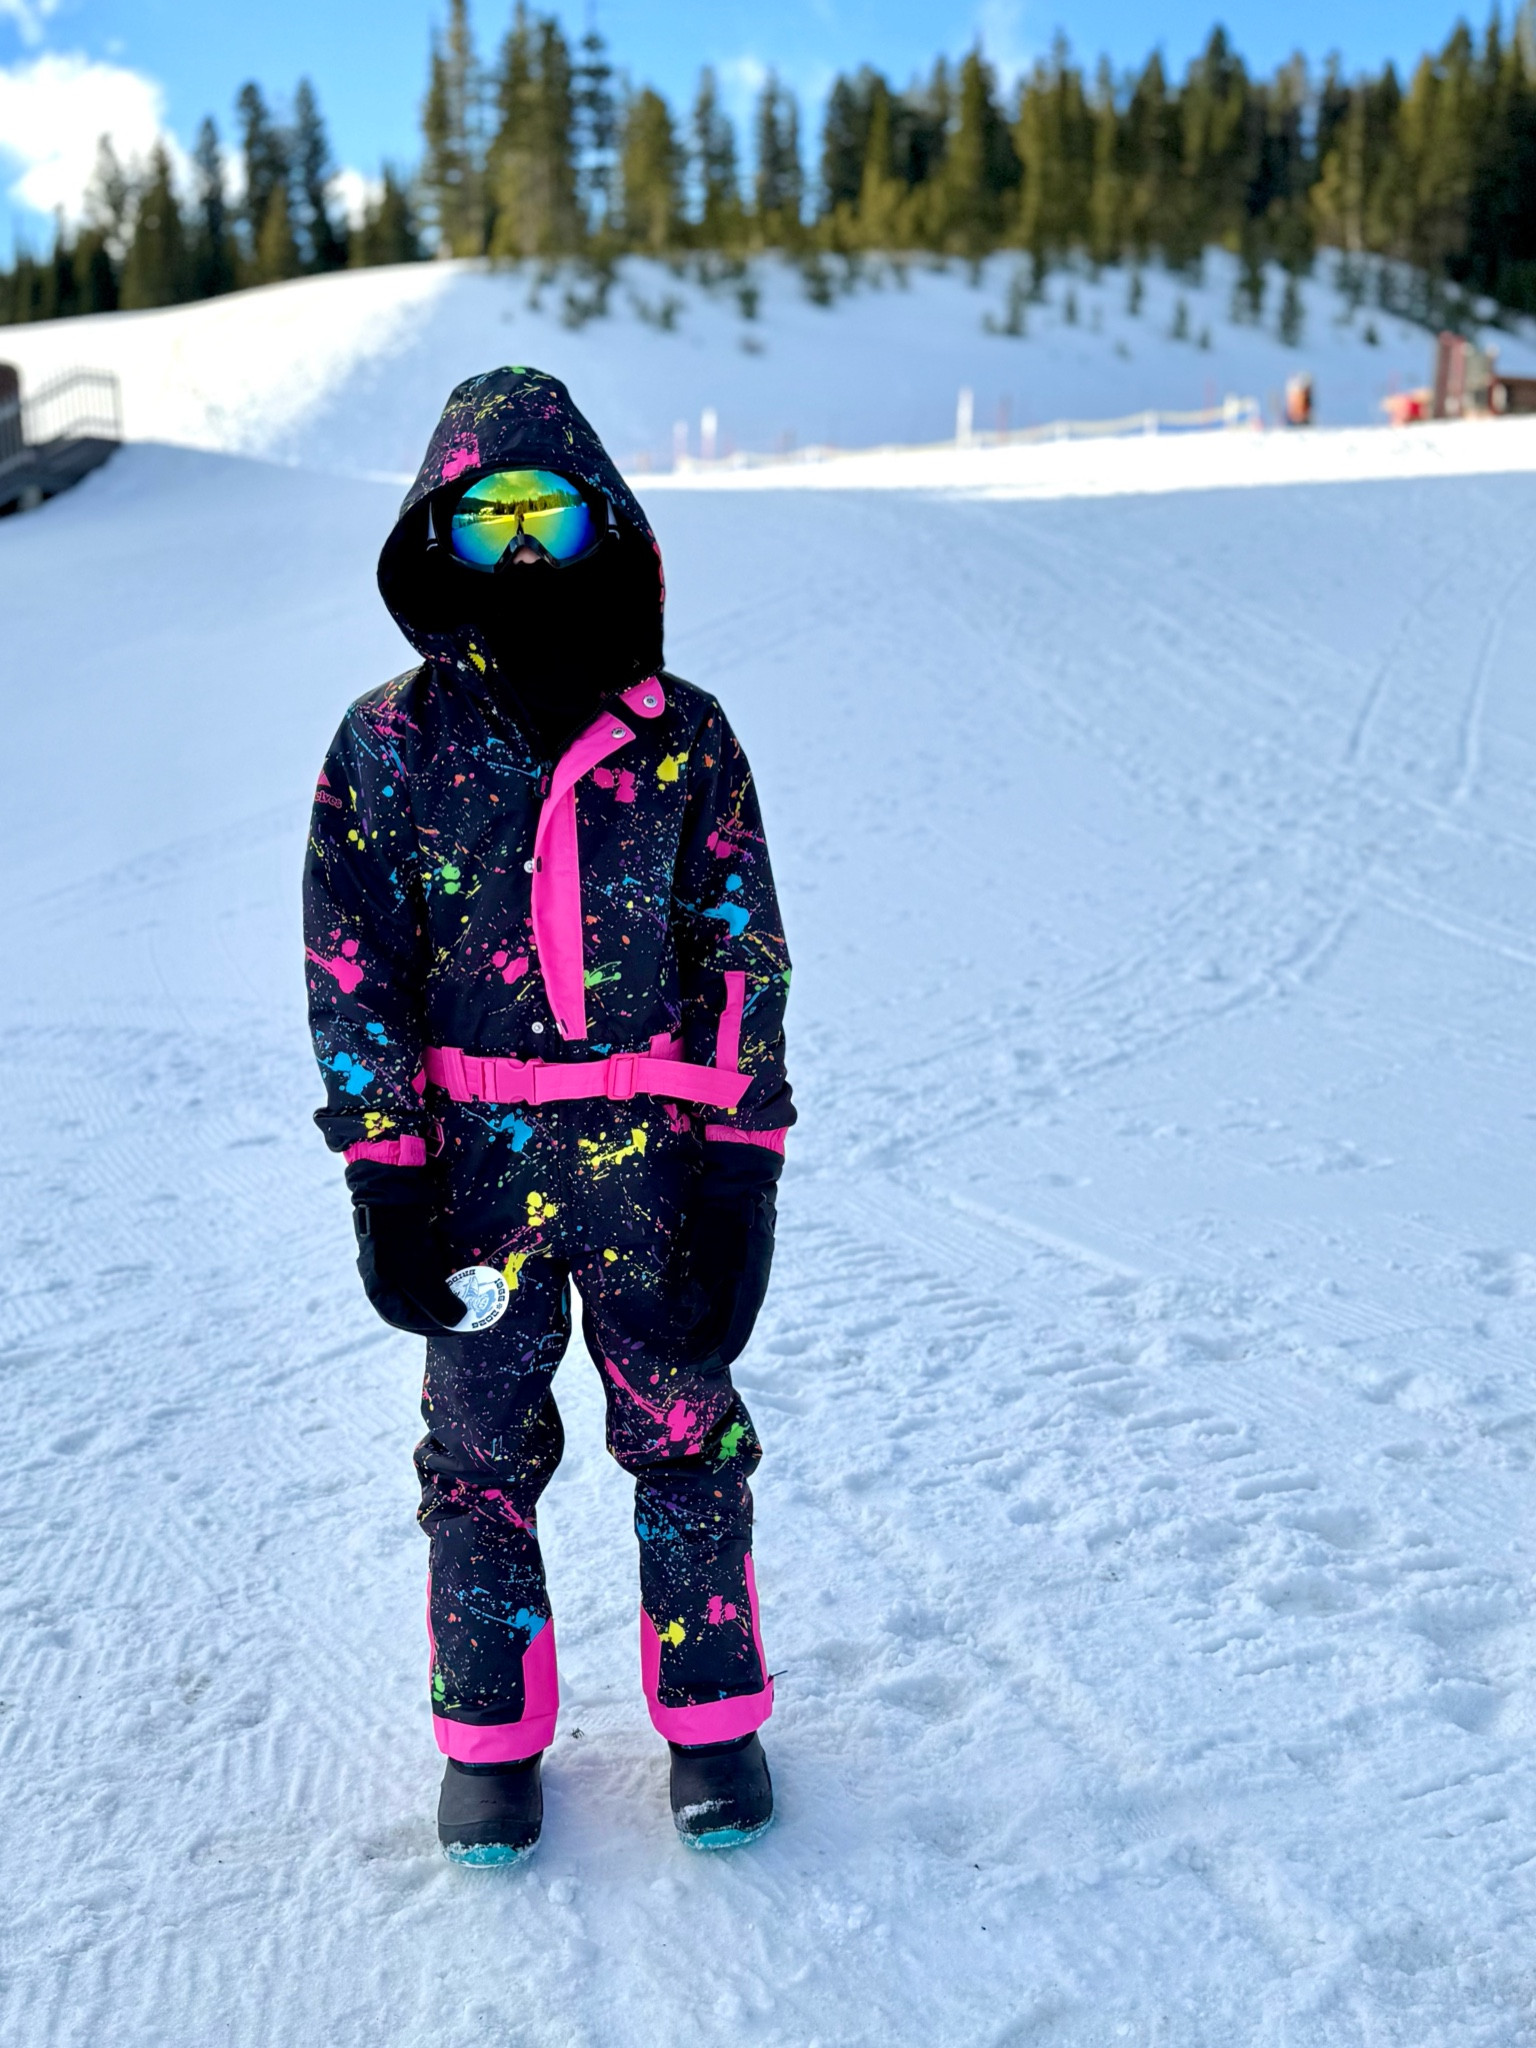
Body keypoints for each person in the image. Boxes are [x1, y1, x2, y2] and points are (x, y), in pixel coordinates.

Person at [303, 367, 793, 1863]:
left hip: (651, 1163)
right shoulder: (389, 742)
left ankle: (715, 1724)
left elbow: (740, 945)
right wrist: (384, 1171)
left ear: (605, 518)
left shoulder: (682, 735)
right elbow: (353, 960)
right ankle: (491, 1742)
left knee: (686, 1428)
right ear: (437, 527)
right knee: (477, 1451)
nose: (521, 546)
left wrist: (740, 1168)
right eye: (487, 514)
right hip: (472, 1175)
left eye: (551, 510)